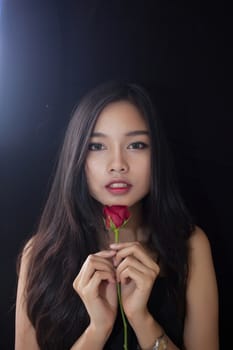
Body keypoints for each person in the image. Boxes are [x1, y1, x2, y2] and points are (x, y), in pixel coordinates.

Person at [15, 81, 219, 350]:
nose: (118, 165)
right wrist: (98, 329)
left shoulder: (190, 245)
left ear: (157, 154)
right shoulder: (41, 253)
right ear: (76, 157)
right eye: (97, 147)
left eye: (136, 145)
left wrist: (141, 319)